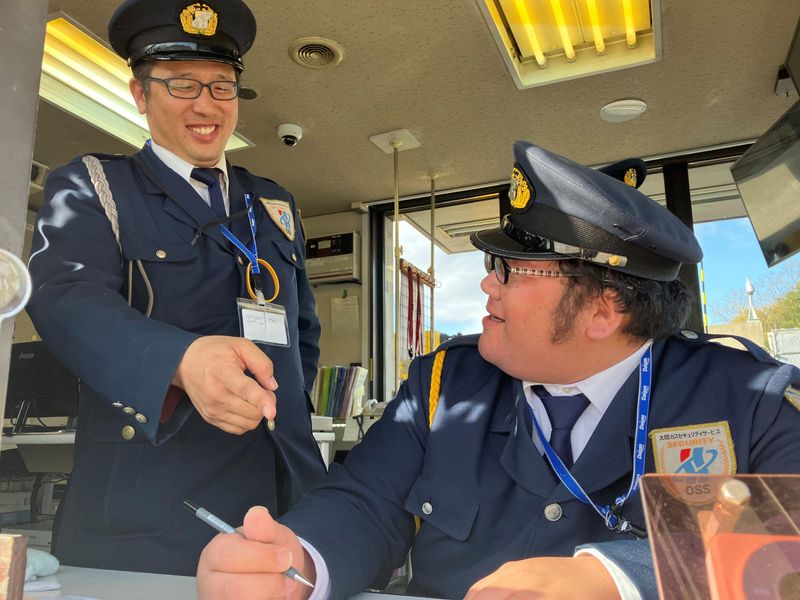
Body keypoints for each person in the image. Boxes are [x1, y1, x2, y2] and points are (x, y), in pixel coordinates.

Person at [197, 141, 800, 599]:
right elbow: (365, 501)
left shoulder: (752, 399)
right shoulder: (443, 384)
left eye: (509, 269)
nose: (488, 284)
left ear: (603, 308)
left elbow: (789, 543)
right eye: (492, 264)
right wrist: (300, 561)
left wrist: (613, 579)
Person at [26, 0, 326, 576]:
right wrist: (180, 360)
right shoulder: (96, 186)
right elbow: (64, 297)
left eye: (222, 86)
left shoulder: (273, 202)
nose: (206, 106)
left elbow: (301, 333)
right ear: (140, 95)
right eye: (182, 84)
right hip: (155, 499)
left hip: (286, 491)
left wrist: (276, 405)